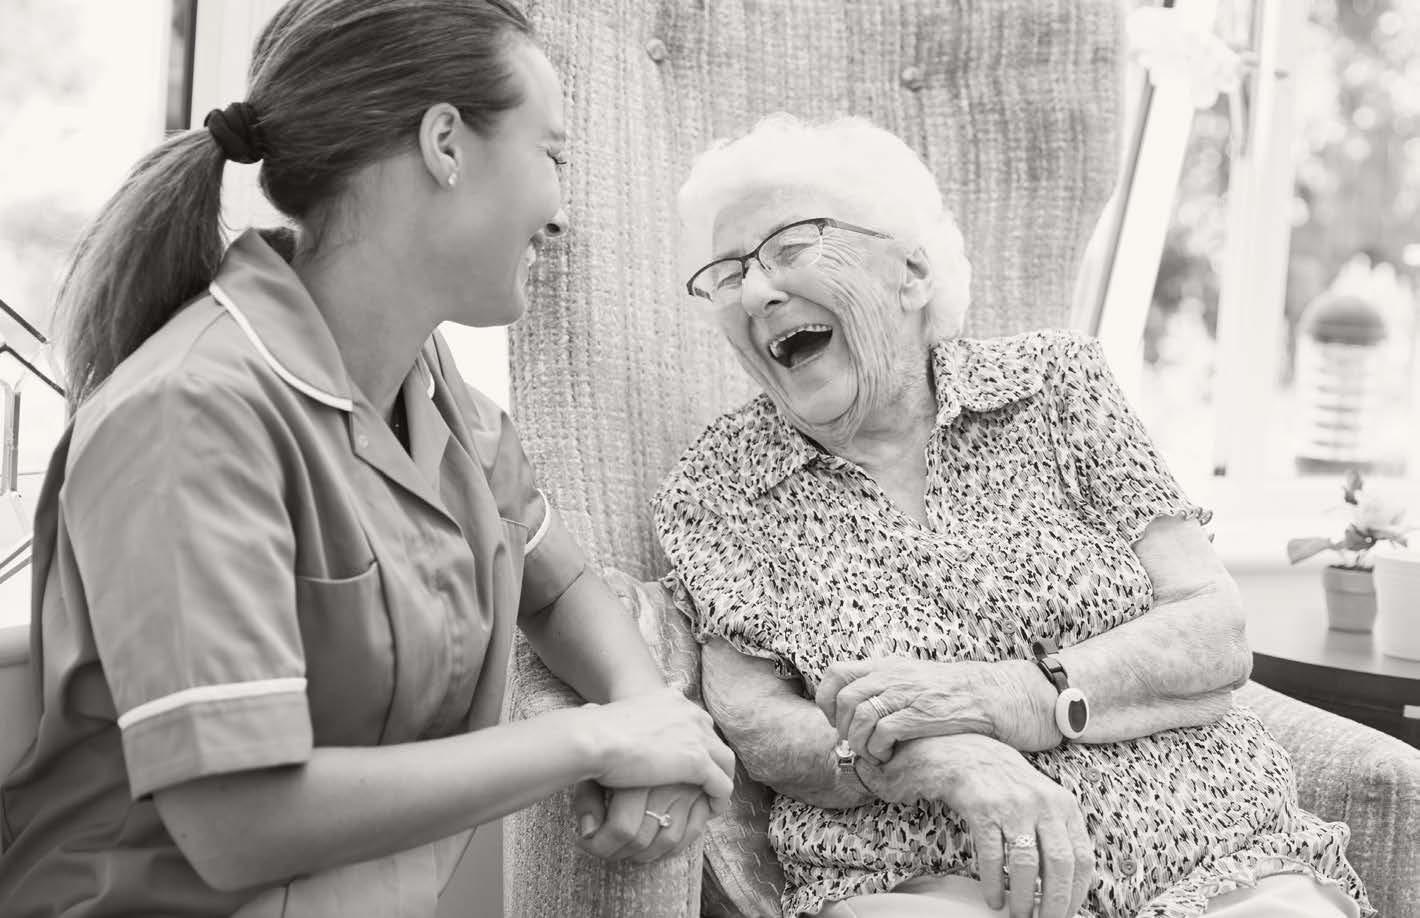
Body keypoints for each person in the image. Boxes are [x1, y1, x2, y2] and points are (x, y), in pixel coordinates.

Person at [0, 1, 734, 914]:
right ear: (445, 144)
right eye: (552, 156)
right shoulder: (188, 413)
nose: (561, 213)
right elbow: (238, 822)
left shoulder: (429, 388)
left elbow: (558, 585)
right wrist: (597, 741)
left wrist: (650, 716)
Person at [653, 114, 1372, 918]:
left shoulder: (1054, 384)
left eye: (791, 248)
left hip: (1219, 853)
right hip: (927, 876)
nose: (758, 292)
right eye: (730, 275)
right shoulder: (720, 484)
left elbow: (1213, 628)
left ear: (911, 272)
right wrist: (946, 760)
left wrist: (1008, 697)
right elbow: (758, 728)